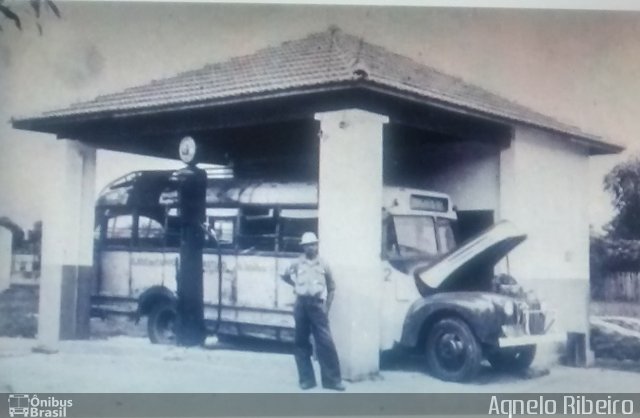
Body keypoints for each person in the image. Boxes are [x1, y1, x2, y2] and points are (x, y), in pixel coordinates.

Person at [281, 232, 346, 391]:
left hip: (317, 306)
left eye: (314, 244)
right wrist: (295, 286)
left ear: (317, 245)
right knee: (301, 342)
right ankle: (306, 380)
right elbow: (284, 276)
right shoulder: (296, 263)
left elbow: (331, 287)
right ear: (303, 247)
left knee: (326, 343)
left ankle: (332, 381)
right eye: (308, 245)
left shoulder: (324, 264)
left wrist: (327, 307)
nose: (311, 247)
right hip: (301, 305)